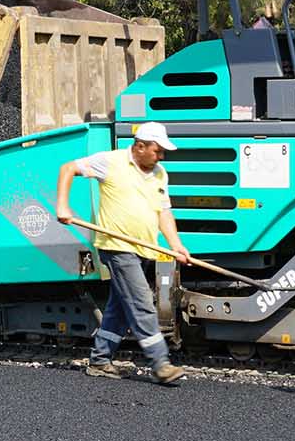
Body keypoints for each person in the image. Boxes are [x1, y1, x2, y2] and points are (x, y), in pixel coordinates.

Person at [54, 120, 199, 385]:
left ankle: (100, 360)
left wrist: (175, 244)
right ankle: (160, 363)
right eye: (157, 150)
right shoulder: (111, 162)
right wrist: (63, 206)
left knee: (120, 307)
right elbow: (68, 168)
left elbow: (163, 211)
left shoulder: (159, 173)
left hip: (143, 248)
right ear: (140, 146)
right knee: (142, 301)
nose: (161, 156)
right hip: (116, 247)